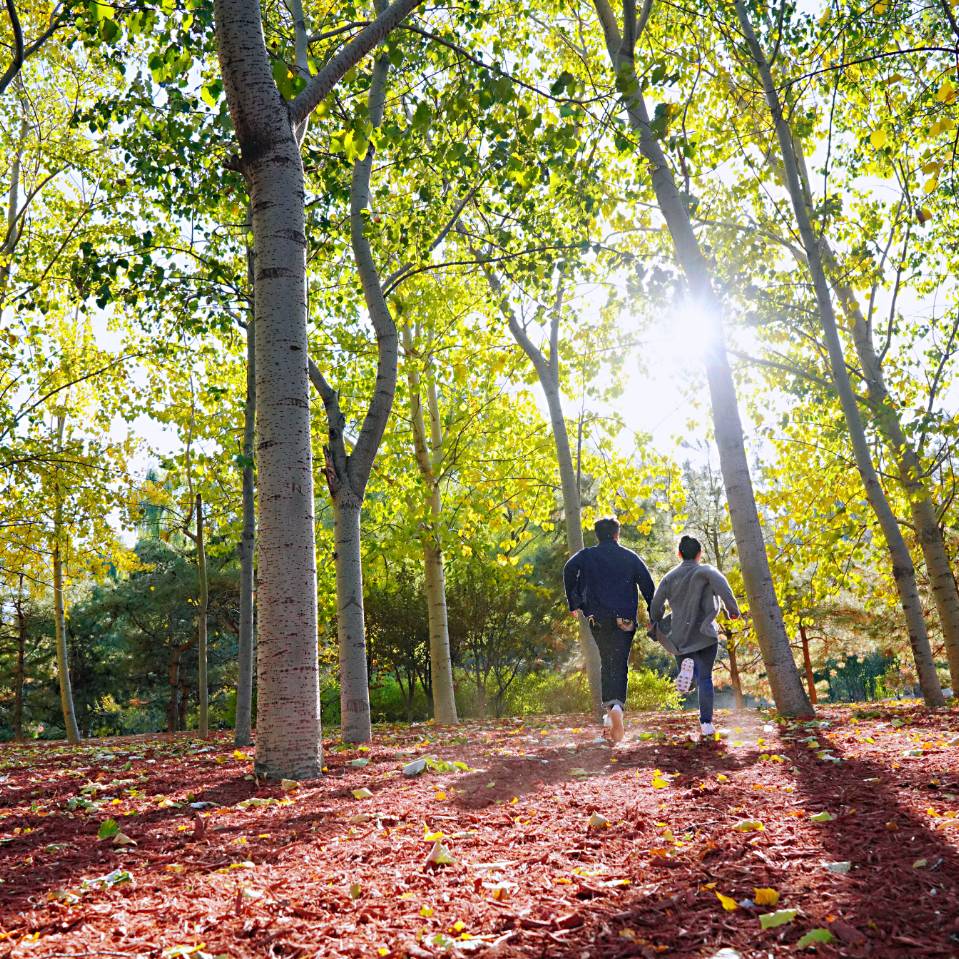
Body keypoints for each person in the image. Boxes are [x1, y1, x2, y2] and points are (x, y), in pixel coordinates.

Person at [563, 517, 655, 744]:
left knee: (607, 661)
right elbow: (647, 584)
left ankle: (609, 710)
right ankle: (617, 708)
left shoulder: (586, 556)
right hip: (624, 618)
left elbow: (568, 568)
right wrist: (654, 614)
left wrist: (574, 602)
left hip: (599, 617)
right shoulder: (630, 557)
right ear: (617, 534)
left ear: (597, 535)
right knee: (620, 661)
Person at [649, 535, 741, 738]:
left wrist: (655, 621)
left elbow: (657, 603)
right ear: (700, 554)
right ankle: (707, 724)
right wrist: (733, 610)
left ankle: (686, 670)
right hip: (705, 632)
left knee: (689, 673)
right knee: (705, 678)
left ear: (679, 554)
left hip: (680, 636)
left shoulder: (669, 577)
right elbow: (723, 587)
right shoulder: (706, 571)